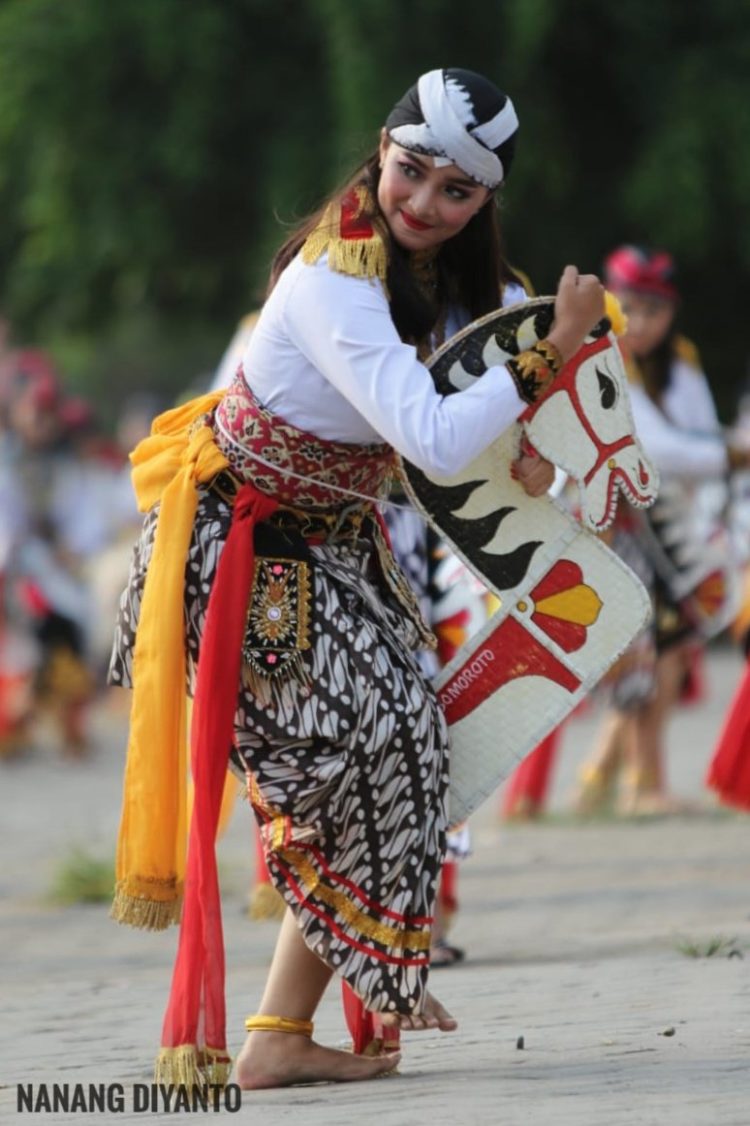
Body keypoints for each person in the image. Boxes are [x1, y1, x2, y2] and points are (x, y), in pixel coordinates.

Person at [109, 67, 605, 1090]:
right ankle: (352, 982)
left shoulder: (472, 292)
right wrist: (552, 352)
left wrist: (534, 442)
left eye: (454, 191)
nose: (422, 202)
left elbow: (502, 413)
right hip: (242, 548)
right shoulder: (333, 278)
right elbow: (427, 433)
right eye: (410, 170)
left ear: (483, 202)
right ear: (382, 149)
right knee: (361, 747)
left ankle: (284, 1030)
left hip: (334, 543)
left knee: (415, 737)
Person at [574, 245, 745, 816]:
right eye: (631, 307)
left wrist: (718, 459)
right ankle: (635, 782)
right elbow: (657, 448)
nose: (642, 322)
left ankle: (615, 776)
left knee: (665, 647)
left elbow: (692, 434)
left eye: (655, 309)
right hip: (610, 525)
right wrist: (732, 452)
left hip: (667, 524)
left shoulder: (680, 362)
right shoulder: (599, 356)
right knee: (647, 648)